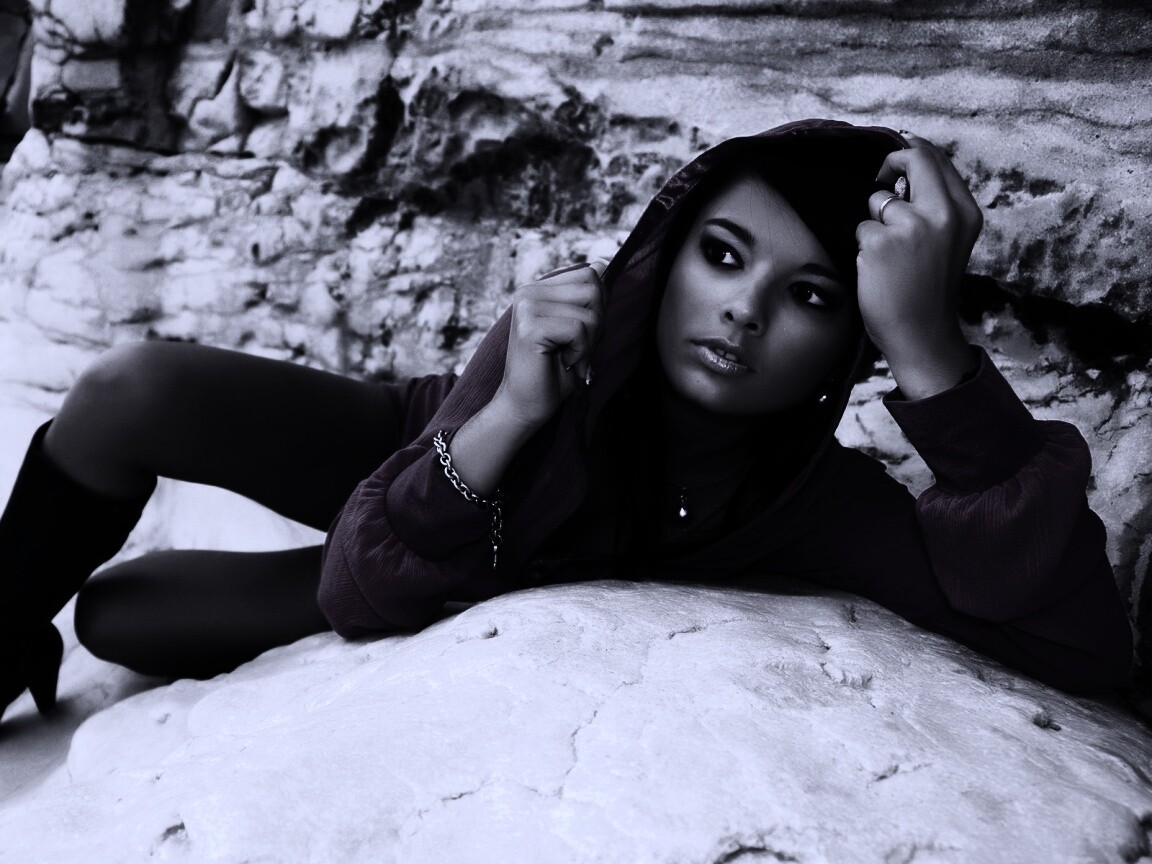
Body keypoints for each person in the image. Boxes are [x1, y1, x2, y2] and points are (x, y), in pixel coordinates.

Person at [0, 119, 1134, 725]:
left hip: (452, 563)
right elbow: (419, 486)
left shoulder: (816, 506)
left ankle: (52, 629)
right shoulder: (572, 333)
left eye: (810, 297)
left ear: (855, 343)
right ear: (669, 250)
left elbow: (1080, 649)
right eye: (723, 255)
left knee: (118, 615)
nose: (743, 309)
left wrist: (931, 351)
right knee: (130, 389)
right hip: (436, 453)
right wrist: (508, 413)